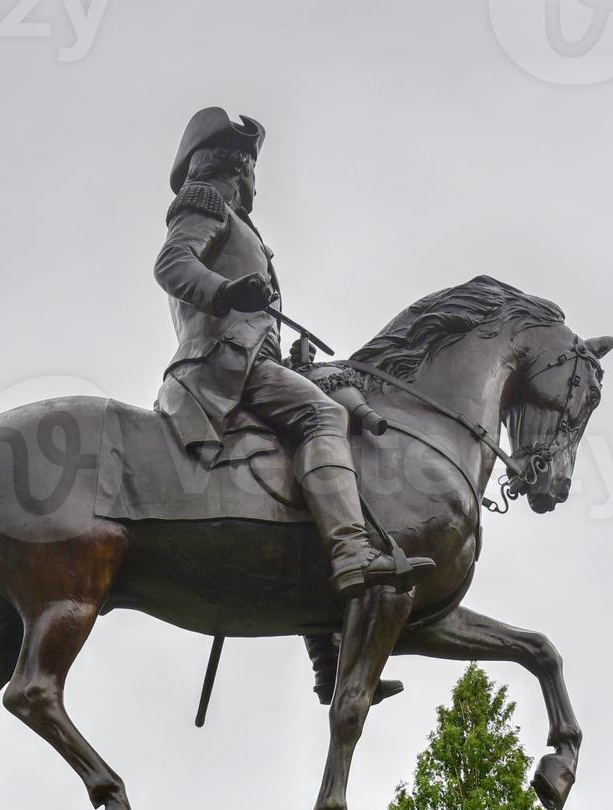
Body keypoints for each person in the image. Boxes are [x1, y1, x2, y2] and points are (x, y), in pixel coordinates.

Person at [153, 108, 427, 697]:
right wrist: (228, 290)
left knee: (301, 480)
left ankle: (328, 662)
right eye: (250, 165)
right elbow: (173, 266)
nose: (255, 178)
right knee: (324, 415)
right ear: (234, 167)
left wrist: (295, 360)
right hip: (220, 369)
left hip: (254, 364)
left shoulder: (242, 228)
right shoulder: (207, 205)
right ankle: (353, 554)